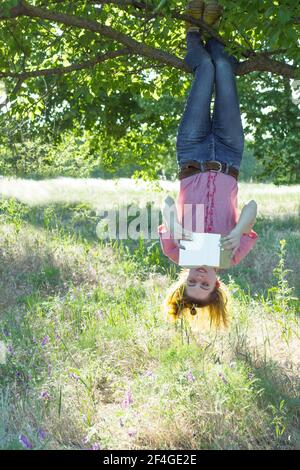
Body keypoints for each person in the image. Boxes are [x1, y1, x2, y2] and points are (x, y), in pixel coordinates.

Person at [158, 0, 258, 328]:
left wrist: (174, 224)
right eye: (206, 285)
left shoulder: (175, 252)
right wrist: (238, 229)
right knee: (224, 69)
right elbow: (253, 206)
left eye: (192, 284)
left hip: (192, 153)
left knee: (206, 71)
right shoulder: (233, 256)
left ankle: (192, 32)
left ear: (183, 281)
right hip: (230, 155)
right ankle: (212, 31)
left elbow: (168, 202)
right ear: (217, 284)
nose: (200, 278)